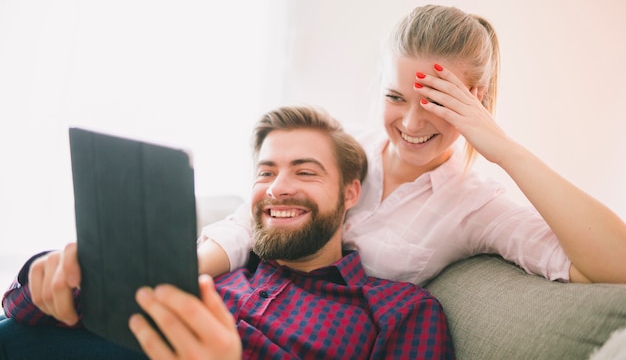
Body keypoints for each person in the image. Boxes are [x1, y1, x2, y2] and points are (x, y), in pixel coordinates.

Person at [195, 4, 626, 286]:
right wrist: (187, 271)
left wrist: (503, 149)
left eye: (436, 102)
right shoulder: (344, 146)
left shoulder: (476, 206)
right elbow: (248, 221)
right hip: (249, 299)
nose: (411, 122)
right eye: (394, 97)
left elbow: (615, 264)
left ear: (476, 99)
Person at [1, 105, 455, 360]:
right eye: (266, 173)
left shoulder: (400, 312)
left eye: (305, 171)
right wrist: (49, 277)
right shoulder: (206, 270)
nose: (278, 188)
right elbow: (25, 318)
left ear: (351, 192)